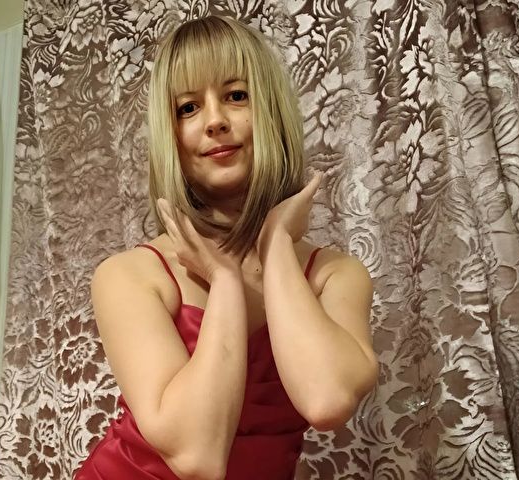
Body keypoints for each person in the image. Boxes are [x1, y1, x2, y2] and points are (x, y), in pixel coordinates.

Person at [74, 14, 378, 480]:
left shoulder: (336, 275)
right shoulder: (129, 275)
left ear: (270, 110)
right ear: (170, 135)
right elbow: (196, 457)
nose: (214, 121)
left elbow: (326, 400)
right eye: (187, 108)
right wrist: (225, 280)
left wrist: (276, 245)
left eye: (236, 96)